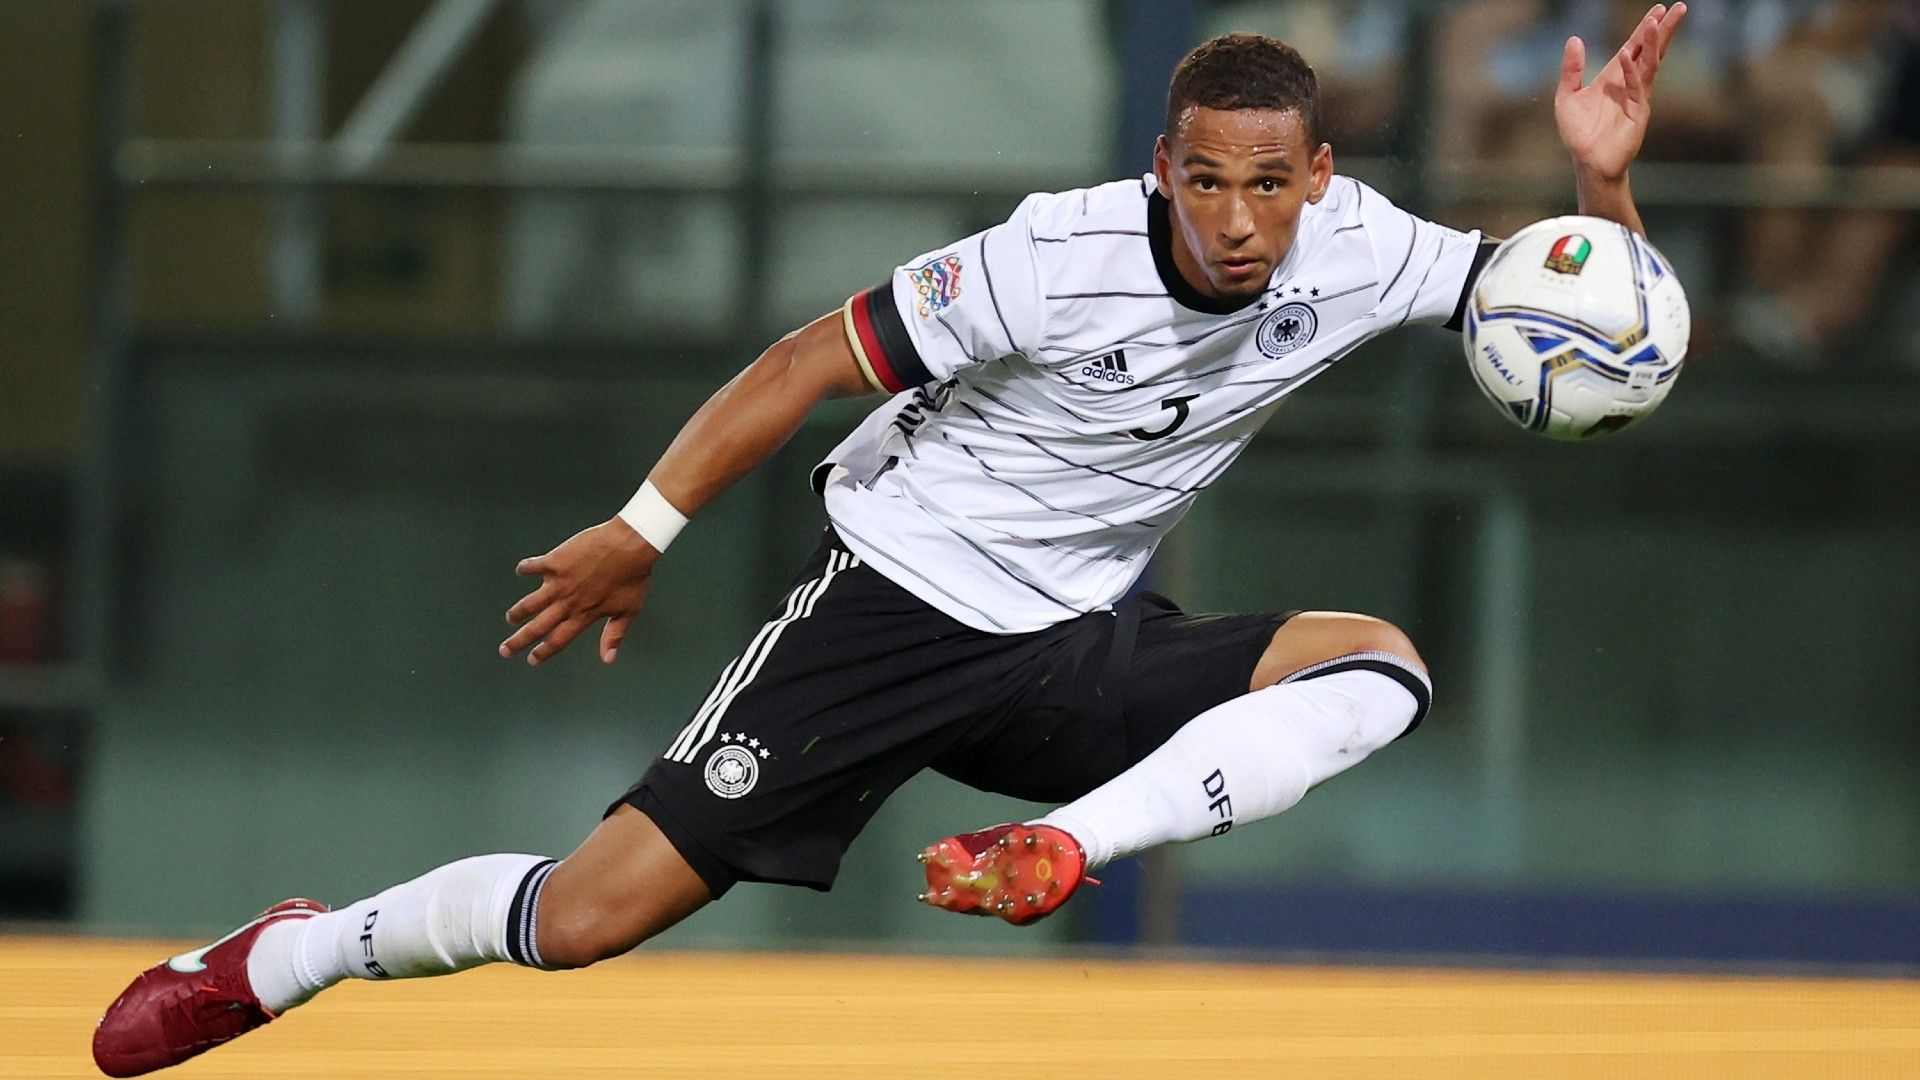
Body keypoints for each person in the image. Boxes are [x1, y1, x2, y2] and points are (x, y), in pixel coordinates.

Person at [91, 6, 1687, 1075]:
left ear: (1318, 178)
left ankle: (1068, 847)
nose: (1236, 219)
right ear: (1161, 169)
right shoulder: (1048, 258)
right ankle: (294, 956)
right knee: (582, 922)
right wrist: (643, 527)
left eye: (1268, 184)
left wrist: (1601, 186)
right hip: (897, 606)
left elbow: (1574, 321)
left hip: (1074, 643)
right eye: (1204, 180)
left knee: (1381, 669)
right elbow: (804, 363)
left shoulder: (1363, 247)